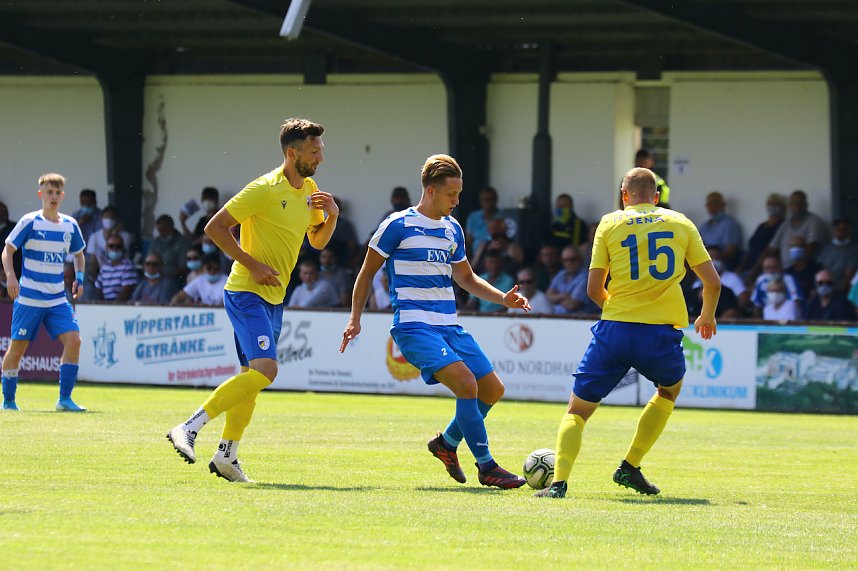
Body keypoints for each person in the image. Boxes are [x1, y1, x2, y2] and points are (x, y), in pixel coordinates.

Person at [341, 153, 530, 489]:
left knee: (492, 389)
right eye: (451, 195)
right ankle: (487, 467)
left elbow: (467, 278)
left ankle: (446, 444)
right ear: (430, 190)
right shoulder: (396, 225)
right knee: (467, 385)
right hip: (413, 326)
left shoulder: (452, 228)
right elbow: (366, 272)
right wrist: (355, 318)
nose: (457, 202)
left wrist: (503, 299)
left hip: (448, 325)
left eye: (458, 195)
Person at [167, 117, 339, 483]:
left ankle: (227, 455)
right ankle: (189, 427)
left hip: (274, 297)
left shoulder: (310, 188)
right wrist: (253, 264)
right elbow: (214, 227)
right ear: (292, 153)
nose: (321, 157)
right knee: (267, 370)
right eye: (314, 151)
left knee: (253, 377)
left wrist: (333, 216)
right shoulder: (263, 188)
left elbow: (318, 241)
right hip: (246, 291)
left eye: (321, 150)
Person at [535, 167, 720, 499]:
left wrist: (617, 308)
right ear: (657, 196)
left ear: (624, 195)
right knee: (668, 391)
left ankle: (558, 484)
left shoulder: (609, 223)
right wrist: (706, 316)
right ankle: (630, 466)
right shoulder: (680, 222)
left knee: (577, 410)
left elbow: (593, 289)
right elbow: (712, 282)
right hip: (660, 334)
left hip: (615, 331)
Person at [2, 173, 88, 412]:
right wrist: (11, 276)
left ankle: (64, 400)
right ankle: (8, 401)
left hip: (57, 298)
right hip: (29, 297)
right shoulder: (30, 221)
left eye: (57, 193)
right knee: (17, 349)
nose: (53, 197)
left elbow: (79, 255)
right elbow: (7, 250)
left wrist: (79, 279)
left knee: (74, 340)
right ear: (41, 194)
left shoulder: (70, 225)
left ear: (62, 196)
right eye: (49, 192)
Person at [768, 190, 830, 264]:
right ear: (790, 206)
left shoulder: (814, 223)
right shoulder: (785, 224)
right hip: (786, 271)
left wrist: (797, 269)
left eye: (800, 203)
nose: (797, 206)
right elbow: (772, 247)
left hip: (805, 270)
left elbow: (812, 244)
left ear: (806, 204)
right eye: (794, 203)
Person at [738, 193, 785, 276]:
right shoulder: (761, 226)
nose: (772, 206)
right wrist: (740, 267)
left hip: (765, 268)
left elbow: (769, 250)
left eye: (775, 204)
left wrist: (754, 271)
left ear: (782, 207)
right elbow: (750, 248)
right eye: (769, 204)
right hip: (749, 266)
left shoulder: (782, 225)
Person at [698, 191, 742, 268]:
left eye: (714, 203)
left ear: (723, 205)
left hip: (720, 264)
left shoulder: (729, 224)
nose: (711, 206)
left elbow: (730, 252)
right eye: (709, 204)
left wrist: (713, 256)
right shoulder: (705, 225)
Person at [817, 218, 858, 294]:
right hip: (824, 286)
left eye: (844, 229)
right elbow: (819, 269)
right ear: (833, 231)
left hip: (841, 290)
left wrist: (837, 292)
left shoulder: (854, 250)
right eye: (838, 229)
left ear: (849, 231)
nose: (841, 231)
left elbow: (848, 277)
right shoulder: (826, 249)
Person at [468, 249, 514, 313]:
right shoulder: (479, 279)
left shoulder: (509, 280)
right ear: (485, 263)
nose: (493, 266)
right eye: (490, 262)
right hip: (480, 317)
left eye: (496, 262)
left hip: (501, 317)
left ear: (501, 263)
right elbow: (471, 303)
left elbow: (508, 306)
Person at [546, 245, 588, 314]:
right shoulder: (560, 274)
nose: (569, 263)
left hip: (580, 320)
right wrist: (564, 296)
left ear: (580, 259)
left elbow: (572, 305)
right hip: (558, 319)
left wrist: (555, 300)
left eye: (573, 259)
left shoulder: (586, 277)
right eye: (566, 260)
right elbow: (547, 298)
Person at [148, 214, 190, 281]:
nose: (160, 234)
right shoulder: (156, 241)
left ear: (171, 227)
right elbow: (148, 261)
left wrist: (165, 276)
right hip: (153, 278)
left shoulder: (182, 242)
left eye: (163, 230)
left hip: (172, 279)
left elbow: (184, 268)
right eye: (159, 230)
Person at [465, 185, 503, 257]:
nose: (487, 202)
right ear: (480, 201)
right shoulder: (473, 217)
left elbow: (504, 240)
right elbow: (469, 241)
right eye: (484, 200)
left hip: (495, 255)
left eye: (490, 199)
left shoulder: (503, 216)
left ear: (496, 200)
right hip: (476, 257)